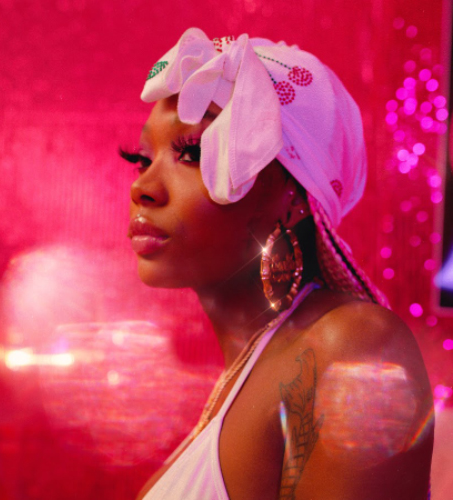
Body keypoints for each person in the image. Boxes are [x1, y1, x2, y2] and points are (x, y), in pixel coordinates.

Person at [121, 28, 434, 500]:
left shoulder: (351, 347)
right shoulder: (245, 374)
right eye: (141, 159)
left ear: (292, 196)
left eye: (194, 153)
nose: (142, 187)